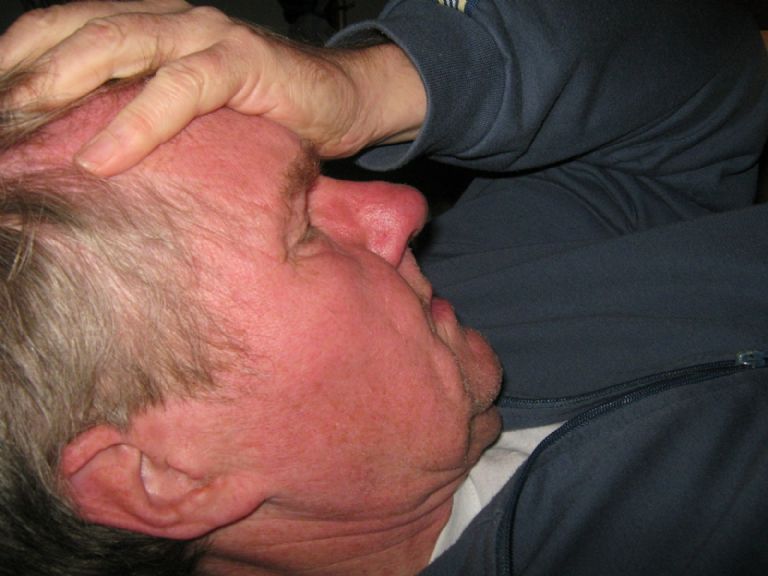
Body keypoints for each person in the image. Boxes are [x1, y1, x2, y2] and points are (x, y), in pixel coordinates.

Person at [0, 1, 766, 575]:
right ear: (166, 477)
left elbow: (714, 82)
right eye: (303, 231)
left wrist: (380, 87)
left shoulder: (480, 293)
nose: (404, 207)